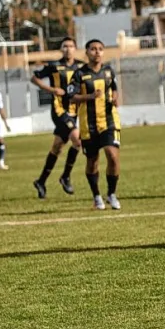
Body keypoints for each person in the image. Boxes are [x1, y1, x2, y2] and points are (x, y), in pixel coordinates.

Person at [68, 39, 122, 209]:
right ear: (87, 52)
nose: (97, 52)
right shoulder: (79, 74)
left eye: (100, 49)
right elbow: (71, 96)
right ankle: (97, 196)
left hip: (109, 120)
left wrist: (114, 98)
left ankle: (111, 194)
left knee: (112, 155)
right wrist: (90, 96)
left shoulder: (108, 71)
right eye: (93, 49)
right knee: (93, 161)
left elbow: (114, 87)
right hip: (88, 124)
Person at [31, 37, 84, 197]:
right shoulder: (54, 66)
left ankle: (41, 181)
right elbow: (34, 78)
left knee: (58, 147)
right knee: (77, 140)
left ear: (75, 48)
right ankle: (65, 177)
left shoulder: (81, 66)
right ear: (61, 49)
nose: (68, 49)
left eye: (71, 46)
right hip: (59, 110)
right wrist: (51, 90)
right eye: (65, 46)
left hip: (74, 111)